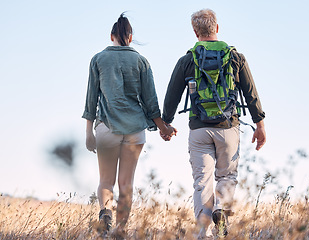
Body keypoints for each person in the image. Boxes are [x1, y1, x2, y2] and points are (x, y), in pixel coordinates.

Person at [161, 9, 266, 238]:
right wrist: (259, 124)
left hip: (199, 128)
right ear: (216, 28)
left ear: (195, 31)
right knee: (227, 176)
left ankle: (203, 233)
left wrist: (166, 125)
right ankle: (220, 210)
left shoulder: (187, 60)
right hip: (229, 127)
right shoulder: (235, 57)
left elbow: (171, 97)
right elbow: (251, 93)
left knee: (202, 181)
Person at [82, 13, 176, 238]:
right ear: (131, 37)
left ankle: (105, 213)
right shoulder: (141, 61)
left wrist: (88, 132)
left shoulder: (98, 59)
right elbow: (151, 102)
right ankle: (121, 230)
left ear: (111, 36)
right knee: (126, 184)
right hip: (135, 131)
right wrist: (164, 128)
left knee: (106, 181)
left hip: (106, 128)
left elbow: (91, 99)